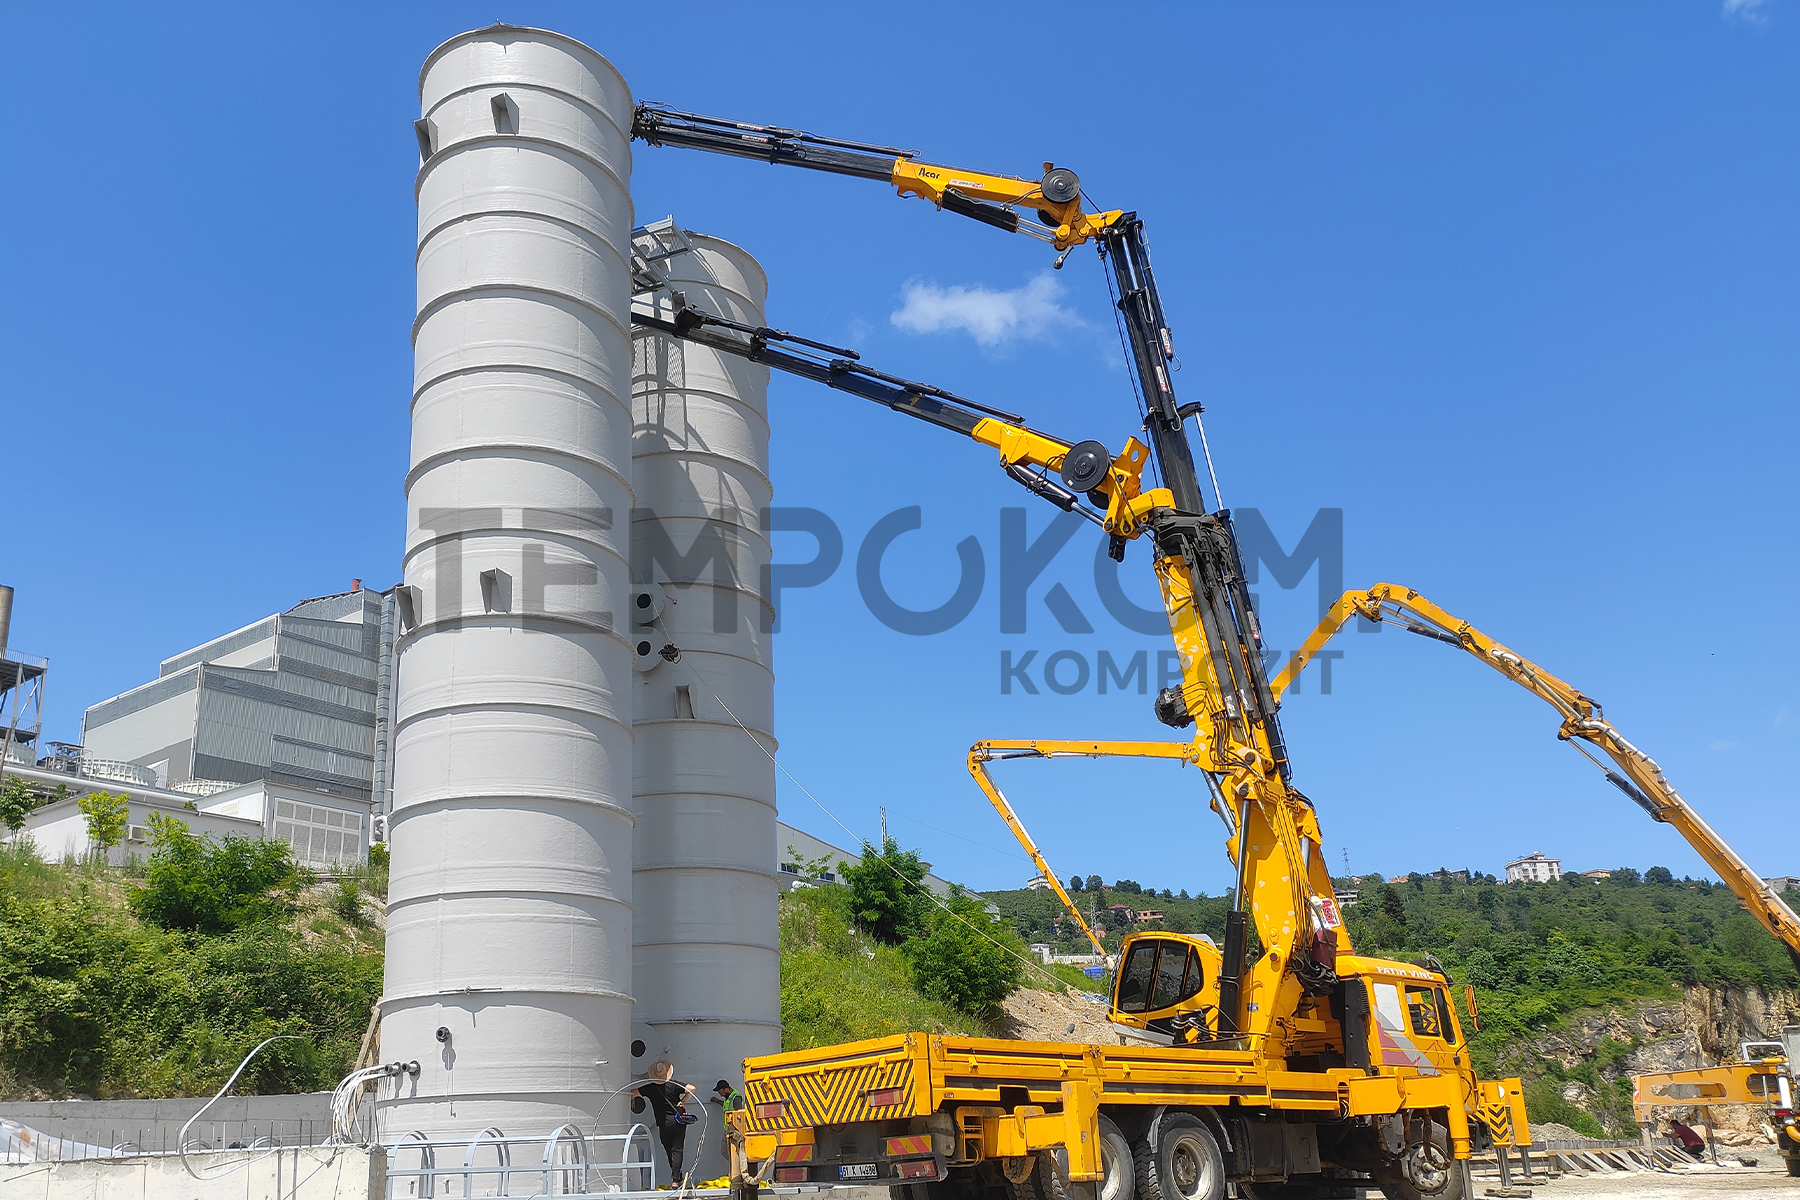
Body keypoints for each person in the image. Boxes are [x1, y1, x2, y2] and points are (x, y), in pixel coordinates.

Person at [633, 1059, 698, 1185]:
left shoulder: (650, 1088)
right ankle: (676, 1179)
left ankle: (677, 1178)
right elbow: (692, 1088)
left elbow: (633, 1092)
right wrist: (683, 1101)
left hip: (663, 1123)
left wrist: (632, 1099)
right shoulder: (673, 1085)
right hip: (678, 1121)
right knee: (677, 1149)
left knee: (669, 1150)